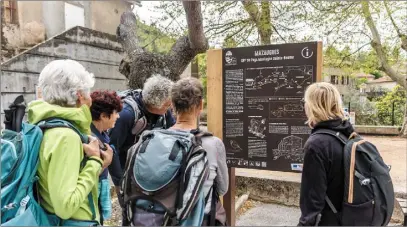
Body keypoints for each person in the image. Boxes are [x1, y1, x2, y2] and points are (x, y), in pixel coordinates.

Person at [27, 59, 113, 226]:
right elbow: (65, 206)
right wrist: (95, 161)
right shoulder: (65, 137)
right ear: (80, 95)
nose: (90, 99)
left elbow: (62, 180)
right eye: (89, 93)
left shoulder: (43, 124)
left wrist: (100, 164)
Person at [169, 77, 229, 225]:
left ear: (172, 105)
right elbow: (222, 189)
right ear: (201, 105)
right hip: (200, 219)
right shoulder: (213, 144)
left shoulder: (155, 139)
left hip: (162, 217)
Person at [298, 82, 354, 226]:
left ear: (312, 106)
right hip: (352, 217)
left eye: (305, 102)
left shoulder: (316, 145)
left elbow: (312, 204)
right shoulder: (349, 134)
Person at [108, 74, 176, 192]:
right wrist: (120, 183)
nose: (170, 107)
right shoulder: (126, 115)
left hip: (151, 168)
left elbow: (174, 134)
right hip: (128, 169)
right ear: (155, 103)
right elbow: (112, 150)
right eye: (167, 104)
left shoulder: (164, 113)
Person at [89, 90, 123, 225]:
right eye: (116, 113)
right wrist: (105, 163)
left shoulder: (102, 134)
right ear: (103, 116)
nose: (118, 117)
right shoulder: (91, 139)